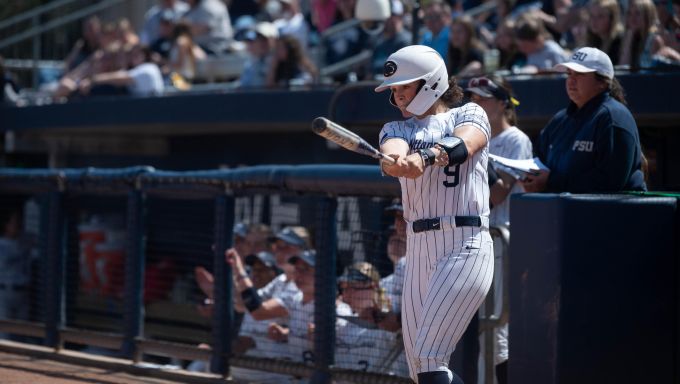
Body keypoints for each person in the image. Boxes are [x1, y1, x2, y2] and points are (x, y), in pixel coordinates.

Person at [376, 44, 495, 384]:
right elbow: (393, 147)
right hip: (418, 250)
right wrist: (396, 160)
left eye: (405, 86)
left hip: (464, 243)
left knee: (429, 357)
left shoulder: (469, 112)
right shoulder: (395, 129)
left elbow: (465, 143)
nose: (398, 95)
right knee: (419, 368)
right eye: (394, 89)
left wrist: (426, 158)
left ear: (430, 82)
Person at [464, 75, 530, 384]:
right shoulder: (470, 134)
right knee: (478, 328)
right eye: (472, 98)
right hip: (477, 240)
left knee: (495, 329)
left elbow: (498, 193)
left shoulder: (515, 138)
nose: (474, 103)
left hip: (502, 238)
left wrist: (478, 153)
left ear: (502, 103)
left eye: (482, 98)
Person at [523, 47, 647, 193]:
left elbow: (610, 183)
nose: (571, 80)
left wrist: (551, 181)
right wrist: (532, 178)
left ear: (602, 82)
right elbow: (539, 162)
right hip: (564, 212)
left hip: (613, 213)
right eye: (569, 74)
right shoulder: (560, 120)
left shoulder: (613, 117)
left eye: (580, 74)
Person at [335, 262, 408, 377]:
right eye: (344, 288)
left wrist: (380, 316)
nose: (346, 294)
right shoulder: (343, 324)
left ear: (373, 287)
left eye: (352, 287)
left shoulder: (391, 322)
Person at [586, 0, 625, 66]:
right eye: (592, 15)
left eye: (600, 16)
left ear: (612, 18)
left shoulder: (620, 41)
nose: (594, 21)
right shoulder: (593, 39)